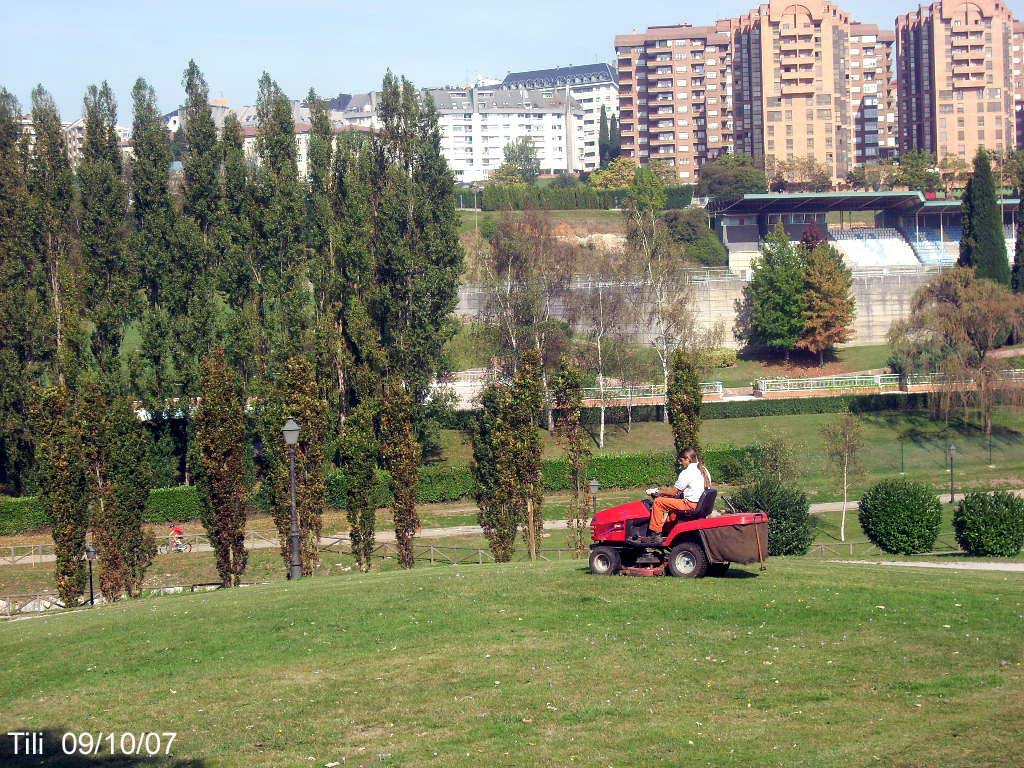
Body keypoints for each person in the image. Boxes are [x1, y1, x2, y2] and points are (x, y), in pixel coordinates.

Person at [642, 446, 712, 544]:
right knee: (672, 503)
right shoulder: (703, 469)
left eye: (681, 460)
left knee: (658, 502)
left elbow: (673, 492)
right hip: (700, 504)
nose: (680, 463)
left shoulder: (687, 472)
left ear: (688, 459)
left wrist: (657, 491)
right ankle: (668, 531)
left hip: (690, 504)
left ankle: (654, 535)